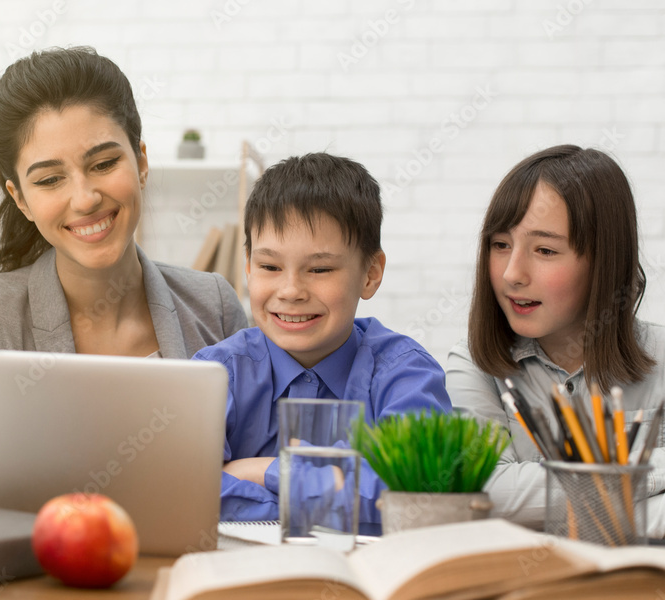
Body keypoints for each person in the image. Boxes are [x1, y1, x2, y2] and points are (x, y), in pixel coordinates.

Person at [0, 47, 247, 509]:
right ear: (20, 198)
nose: (84, 198)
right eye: (50, 180)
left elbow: (268, 458)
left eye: (102, 164)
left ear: (140, 161)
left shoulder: (212, 304)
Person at [191, 152, 451, 534]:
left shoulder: (406, 373)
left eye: (320, 269)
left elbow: (418, 497)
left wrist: (268, 471)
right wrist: (337, 492)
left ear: (370, 274)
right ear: (247, 266)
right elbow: (184, 489)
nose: (291, 290)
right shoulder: (216, 373)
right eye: (269, 267)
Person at [446, 144, 665, 534]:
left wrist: (546, 504)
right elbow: (485, 494)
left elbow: (517, 505)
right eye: (500, 245)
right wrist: (647, 469)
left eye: (545, 250)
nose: (512, 273)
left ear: (604, 260)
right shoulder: (474, 365)